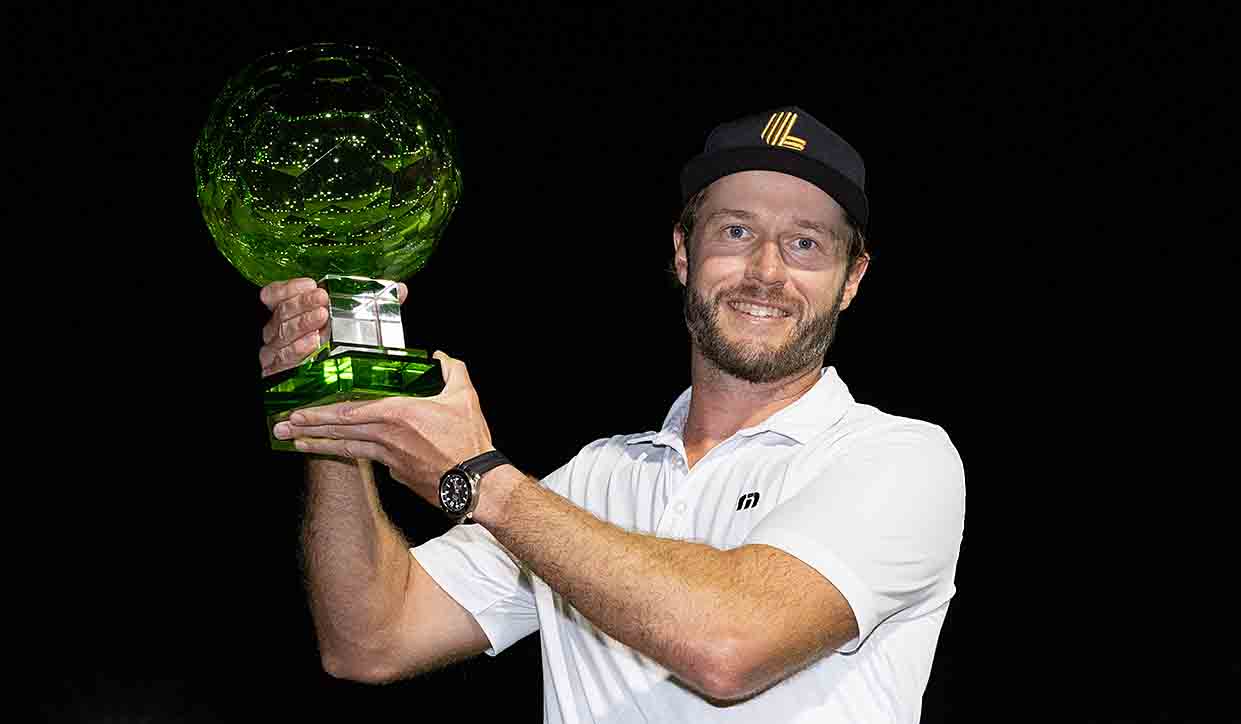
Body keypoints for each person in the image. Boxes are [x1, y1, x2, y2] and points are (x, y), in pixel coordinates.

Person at [260, 106, 965, 723]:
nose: (768, 272)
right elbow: (369, 639)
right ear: (685, 254)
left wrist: (480, 477)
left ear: (853, 279)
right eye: (736, 232)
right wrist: (333, 427)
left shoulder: (899, 459)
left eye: (806, 243)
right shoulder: (595, 478)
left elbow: (730, 646)